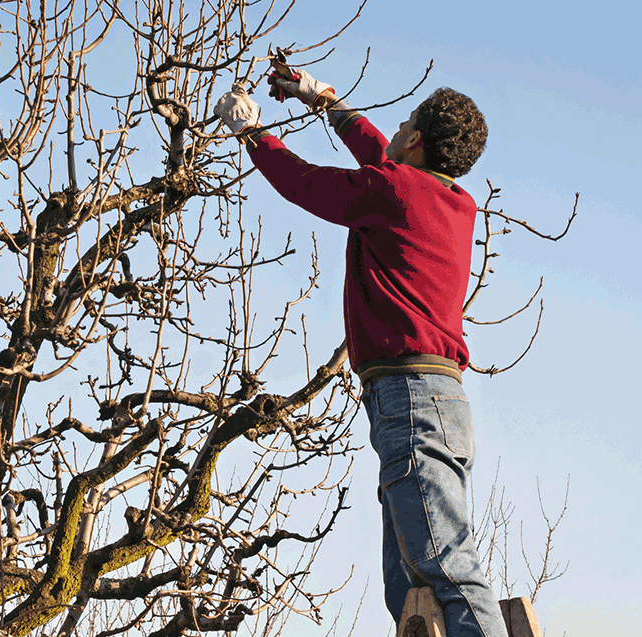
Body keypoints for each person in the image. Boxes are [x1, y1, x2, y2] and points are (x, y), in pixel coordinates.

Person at [214, 73, 506, 637]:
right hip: (431, 401)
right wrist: (320, 98)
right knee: (409, 585)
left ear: (416, 142)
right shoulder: (450, 201)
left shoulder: (393, 192)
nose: (392, 129)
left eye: (404, 125)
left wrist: (251, 134)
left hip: (412, 400)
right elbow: (383, 155)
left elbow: (306, 184)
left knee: (445, 566)